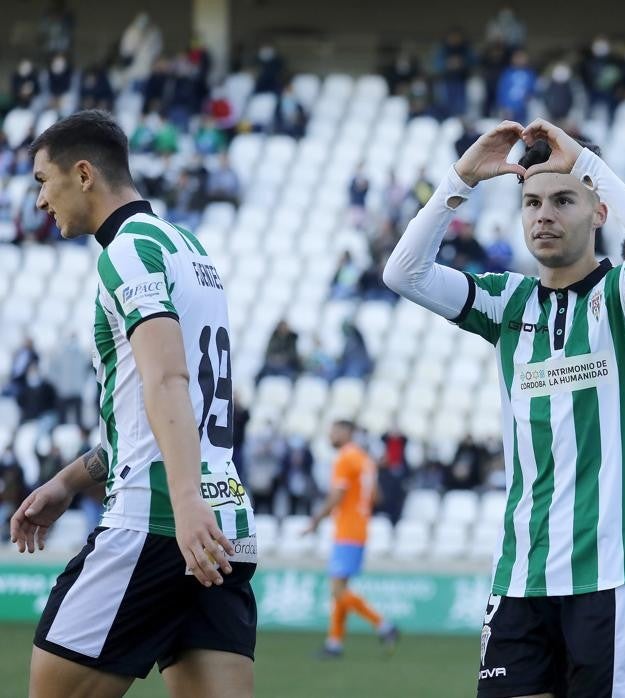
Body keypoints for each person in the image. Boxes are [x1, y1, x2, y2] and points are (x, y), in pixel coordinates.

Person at [383, 118, 625, 697]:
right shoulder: (508, 301)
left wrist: (593, 170)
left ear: (599, 212)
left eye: (563, 199)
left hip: (610, 577)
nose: (543, 215)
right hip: (521, 577)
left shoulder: (624, 295)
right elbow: (403, 272)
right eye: (530, 202)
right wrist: (460, 180)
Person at [10, 110, 256, 696]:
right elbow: (160, 407)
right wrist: (68, 483)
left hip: (161, 518)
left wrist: (186, 500)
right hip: (225, 523)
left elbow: (168, 382)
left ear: (85, 174)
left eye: (43, 181)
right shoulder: (188, 249)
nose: (40, 200)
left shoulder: (126, 252)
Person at [304, 420, 398, 658]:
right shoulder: (365, 460)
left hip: (347, 530)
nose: (331, 435)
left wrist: (316, 520)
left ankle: (383, 625)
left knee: (337, 590)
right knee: (340, 589)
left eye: (335, 431)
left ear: (347, 433)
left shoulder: (346, 458)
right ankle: (334, 644)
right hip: (360, 528)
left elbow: (338, 494)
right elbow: (376, 496)